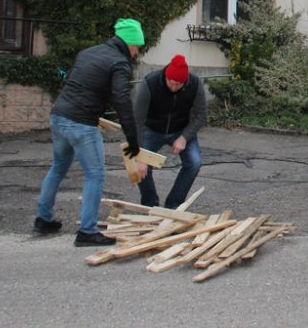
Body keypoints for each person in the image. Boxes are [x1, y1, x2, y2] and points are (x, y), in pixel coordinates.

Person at [34, 18, 146, 247]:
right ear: (130, 43)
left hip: (59, 116)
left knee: (57, 168)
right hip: (82, 123)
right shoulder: (119, 63)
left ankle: (43, 218)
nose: (136, 53)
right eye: (137, 47)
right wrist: (133, 139)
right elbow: (122, 101)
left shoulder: (88, 53)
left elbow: (71, 81)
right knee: (95, 175)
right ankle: (87, 231)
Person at [133, 54, 207, 210]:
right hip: (151, 129)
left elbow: (201, 115)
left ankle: (173, 205)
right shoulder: (150, 83)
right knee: (137, 164)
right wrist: (139, 156)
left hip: (180, 129)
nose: (174, 87)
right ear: (166, 76)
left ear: (185, 81)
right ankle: (150, 205)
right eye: (171, 82)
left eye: (179, 84)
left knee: (194, 162)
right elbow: (137, 119)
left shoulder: (194, 84)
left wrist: (184, 137)